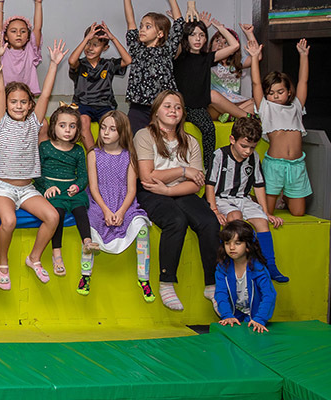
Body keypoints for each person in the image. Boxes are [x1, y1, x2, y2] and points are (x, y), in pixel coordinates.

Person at [0, 39, 67, 289]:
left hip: (27, 189)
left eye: (23, 102)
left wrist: (54, 64)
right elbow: (0, 91)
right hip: (2, 187)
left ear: (30, 105)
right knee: (9, 221)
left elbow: (45, 93)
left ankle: (34, 258)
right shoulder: (1, 123)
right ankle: (2, 263)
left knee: (53, 217)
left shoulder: (34, 124)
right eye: (14, 102)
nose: (19, 105)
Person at [134, 90, 220, 311]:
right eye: (167, 106)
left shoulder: (190, 141)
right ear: (156, 111)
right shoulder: (144, 136)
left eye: (178, 107)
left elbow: (197, 182)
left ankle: (212, 285)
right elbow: (147, 176)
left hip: (178, 192)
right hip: (150, 191)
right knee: (175, 220)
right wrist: (183, 170)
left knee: (209, 222)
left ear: (183, 113)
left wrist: (170, 191)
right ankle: (166, 282)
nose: (173, 110)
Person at [207, 114, 287, 282]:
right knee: (235, 218)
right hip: (223, 198)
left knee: (262, 222)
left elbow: (258, 185)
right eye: (244, 146)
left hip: (244, 198)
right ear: (232, 139)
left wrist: (266, 212)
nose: (247, 151)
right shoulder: (219, 155)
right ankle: (240, 264)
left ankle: (269, 265)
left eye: (252, 147)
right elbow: (210, 184)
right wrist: (214, 209)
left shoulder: (253, 157)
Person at [85, 110, 153, 301]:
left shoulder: (129, 156)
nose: (105, 133)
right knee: (89, 226)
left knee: (141, 227)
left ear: (122, 132)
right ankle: (85, 275)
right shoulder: (94, 154)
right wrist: (106, 210)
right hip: (100, 202)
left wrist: (121, 211)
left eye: (112, 129)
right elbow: (93, 187)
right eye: (103, 128)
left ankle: (143, 278)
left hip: (124, 202)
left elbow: (132, 189)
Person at [246, 34, 311, 217]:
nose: (275, 95)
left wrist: (303, 56)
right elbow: (256, 83)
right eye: (271, 92)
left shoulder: (297, 107)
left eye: (280, 91)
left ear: (289, 92)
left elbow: (303, 82)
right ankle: (250, 197)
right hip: (274, 166)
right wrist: (253, 58)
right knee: (268, 211)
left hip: (297, 166)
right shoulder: (265, 108)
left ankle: (285, 194)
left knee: (298, 213)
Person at [173, 13, 240, 172]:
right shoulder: (179, 56)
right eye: (193, 35)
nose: (197, 39)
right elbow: (178, 38)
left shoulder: (208, 57)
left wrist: (220, 28)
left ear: (205, 40)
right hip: (180, 107)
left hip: (198, 108)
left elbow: (234, 46)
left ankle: (209, 168)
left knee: (209, 130)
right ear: (186, 37)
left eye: (202, 35)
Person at [116, 0, 184, 133]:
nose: (142, 29)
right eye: (142, 26)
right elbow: (130, 22)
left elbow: (179, 24)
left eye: (147, 27)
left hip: (162, 106)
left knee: (162, 141)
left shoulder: (167, 49)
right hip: (138, 106)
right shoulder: (137, 48)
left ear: (160, 33)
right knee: (133, 139)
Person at [36, 106, 92, 293]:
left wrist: (77, 186)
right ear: (54, 127)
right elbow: (36, 173)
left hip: (71, 188)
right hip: (52, 188)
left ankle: (87, 242)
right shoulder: (44, 147)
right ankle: (56, 253)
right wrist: (46, 186)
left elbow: (84, 176)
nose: (67, 130)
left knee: (80, 209)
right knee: (57, 212)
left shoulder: (78, 151)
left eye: (72, 126)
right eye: (62, 125)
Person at [67, 21, 131, 151]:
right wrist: (86, 38)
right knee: (83, 121)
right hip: (83, 104)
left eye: (95, 45)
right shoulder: (80, 64)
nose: (90, 48)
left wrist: (112, 38)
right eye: (88, 44)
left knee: (112, 122)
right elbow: (71, 61)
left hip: (105, 104)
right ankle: (93, 153)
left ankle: (104, 152)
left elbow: (127, 60)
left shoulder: (109, 64)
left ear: (105, 48)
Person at [214, 220, 277, 333]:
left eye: (237, 243)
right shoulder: (222, 268)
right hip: (234, 314)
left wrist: (260, 319)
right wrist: (227, 315)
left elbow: (269, 295)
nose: (231, 247)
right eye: (227, 243)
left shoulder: (258, 268)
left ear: (248, 246)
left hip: (255, 315)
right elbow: (220, 293)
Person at [0, 0, 46, 94]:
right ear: (6, 37)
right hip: (3, 95)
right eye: (13, 31)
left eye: (23, 31)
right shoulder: (2, 51)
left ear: (28, 37)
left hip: (26, 97)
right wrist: (0, 1)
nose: (19, 34)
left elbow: (37, 28)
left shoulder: (31, 50)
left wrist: (38, 3)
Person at [209, 29, 254, 120]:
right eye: (217, 41)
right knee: (211, 95)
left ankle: (230, 116)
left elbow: (257, 56)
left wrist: (249, 34)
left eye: (226, 42)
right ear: (210, 45)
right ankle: (237, 115)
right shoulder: (206, 61)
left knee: (257, 102)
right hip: (216, 106)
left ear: (233, 49)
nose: (221, 45)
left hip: (235, 103)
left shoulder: (236, 63)